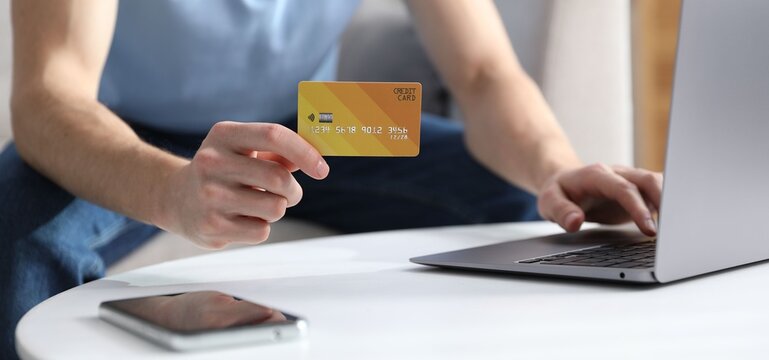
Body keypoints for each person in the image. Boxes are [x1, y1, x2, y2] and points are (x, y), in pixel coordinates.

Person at [1, 0, 663, 357]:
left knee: (519, 201)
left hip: (311, 119)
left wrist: (556, 167)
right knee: (17, 240)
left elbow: (484, 74)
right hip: (127, 128)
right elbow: (47, 95)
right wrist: (173, 191)